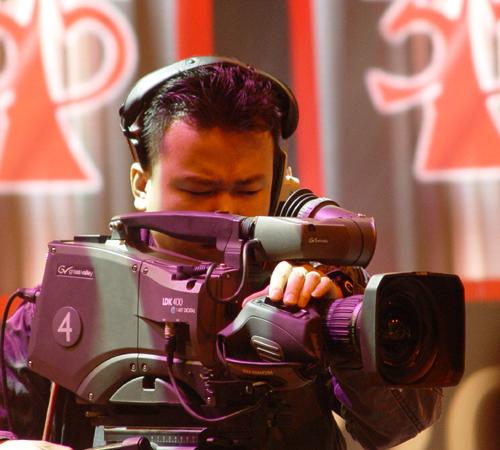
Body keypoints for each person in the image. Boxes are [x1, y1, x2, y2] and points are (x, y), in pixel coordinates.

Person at [0, 56, 442, 449]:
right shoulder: (61, 306)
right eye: (197, 189)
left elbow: (400, 424)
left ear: (278, 186)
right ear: (141, 184)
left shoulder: (307, 291)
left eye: (248, 189)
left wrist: (340, 333)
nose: (225, 210)